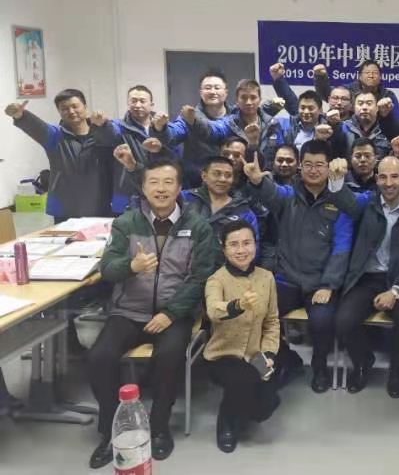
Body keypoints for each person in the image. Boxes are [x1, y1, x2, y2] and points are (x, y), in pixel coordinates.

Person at [87, 158, 217, 468]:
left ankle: (159, 428)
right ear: (143, 188)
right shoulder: (126, 223)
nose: (161, 189)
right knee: (99, 357)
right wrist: (131, 266)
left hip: (174, 313)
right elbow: (108, 268)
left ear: (179, 187)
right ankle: (111, 431)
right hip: (128, 310)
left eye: (168, 182)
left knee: (169, 356)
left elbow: (200, 278)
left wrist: (171, 313)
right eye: (154, 182)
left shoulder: (198, 226)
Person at [242, 140, 353, 393]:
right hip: (287, 278)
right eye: (308, 164)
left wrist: (328, 285)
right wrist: (257, 180)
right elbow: (271, 193)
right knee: (255, 315)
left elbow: (342, 247)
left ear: (329, 167)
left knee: (322, 322)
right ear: (300, 166)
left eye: (320, 165)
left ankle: (320, 367)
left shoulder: (340, 202)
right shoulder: (289, 196)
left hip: (320, 283)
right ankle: (286, 360)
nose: (313, 170)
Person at [335, 156, 399, 396]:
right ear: (376, 179)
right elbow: (346, 201)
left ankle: (397, 370)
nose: (389, 183)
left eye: (395, 176)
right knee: (343, 320)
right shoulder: (366, 203)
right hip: (367, 278)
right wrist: (336, 180)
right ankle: (362, 361)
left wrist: (395, 291)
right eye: (383, 177)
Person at [203, 220, 281, 453]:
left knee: (268, 403)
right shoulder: (216, 279)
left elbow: (272, 321)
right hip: (223, 354)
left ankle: (244, 408)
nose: (241, 250)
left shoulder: (266, 277)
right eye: (234, 244)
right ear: (224, 248)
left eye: (247, 243)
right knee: (244, 381)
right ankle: (226, 423)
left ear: (255, 245)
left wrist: (268, 354)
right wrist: (238, 305)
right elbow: (214, 311)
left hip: (255, 354)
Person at [6, 89, 111, 222]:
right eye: (64, 109)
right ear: (59, 112)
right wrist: (21, 116)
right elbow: (37, 127)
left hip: (100, 203)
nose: (71, 111)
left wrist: (105, 124)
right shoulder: (55, 136)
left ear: (85, 107)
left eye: (75, 106)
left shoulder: (101, 134)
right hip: (66, 207)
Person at [88, 85, 177, 214]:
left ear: (151, 105)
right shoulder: (119, 126)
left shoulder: (164, 127)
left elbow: (174, 155)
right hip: (129, 193)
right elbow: (110, 134)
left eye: (142, 101)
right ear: (128, 103)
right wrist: (102, 125)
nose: (137, 105)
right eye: (133, 101)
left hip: (160, 190)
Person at [159, 69, 233, 187]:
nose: (212, 92)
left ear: (226, 92)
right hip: (196, 184)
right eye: (208, 88)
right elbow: (174, 133)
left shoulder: (235, 116)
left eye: (217, 88)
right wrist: (161, 128)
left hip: (230, 182)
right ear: (200, 92)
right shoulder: (190, 115)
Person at [181, 156, 260, 263]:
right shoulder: (184, 199)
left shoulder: (243, 211)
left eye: (228, 175)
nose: (222, 179)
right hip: (185, 267)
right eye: (216, 174)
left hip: (226, 270)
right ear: (204, 176)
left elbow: (252, 249)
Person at [315, 59, 399, 122]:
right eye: (367, 73)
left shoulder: (387, 95)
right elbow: (327, 94)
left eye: (375, 73)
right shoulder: (348, 90)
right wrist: (320, 78)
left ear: (380, 77)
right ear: (360, 76)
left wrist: (385, 115)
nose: (371, 76)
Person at [337, 90, 399, 160]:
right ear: (353, 108)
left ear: (377, 108)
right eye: (360, 104)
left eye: (369, 103)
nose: (364, 107)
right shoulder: (343, 128)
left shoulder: (387, 129)